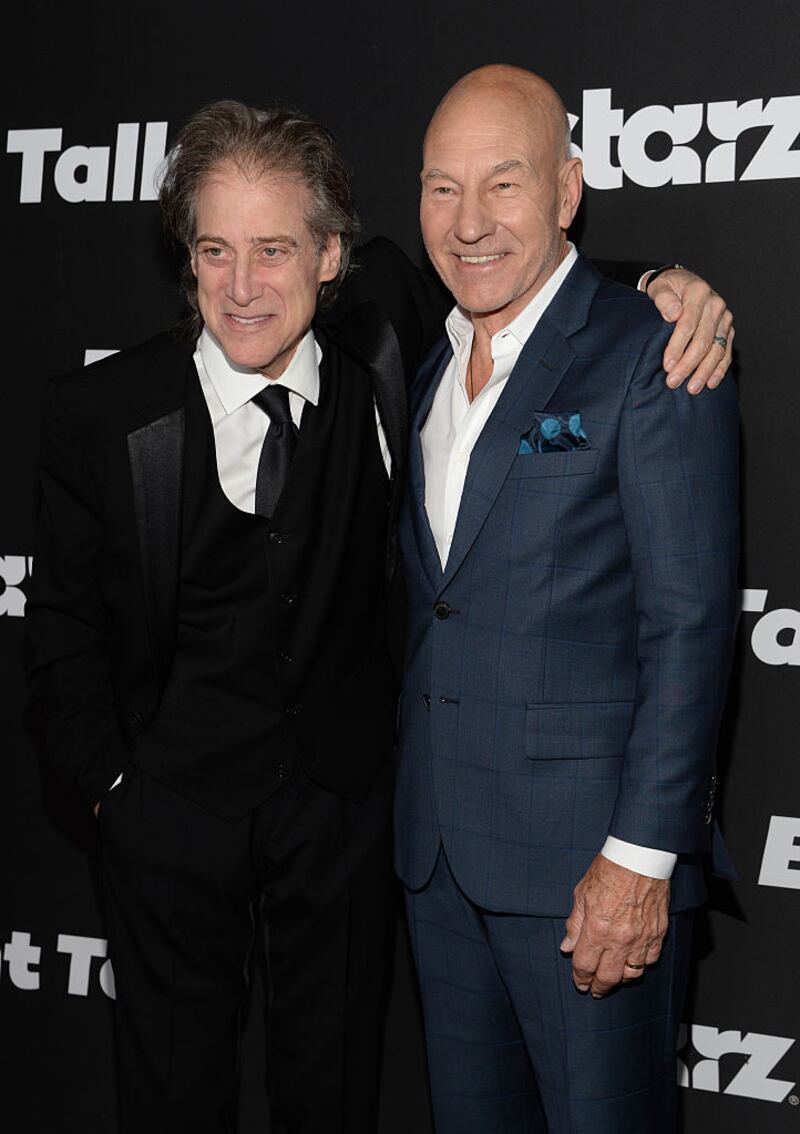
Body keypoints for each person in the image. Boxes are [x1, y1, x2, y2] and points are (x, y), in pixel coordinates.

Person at [25, 97, 732, 1134]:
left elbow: (522, 274)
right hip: (169, 826)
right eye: (214, 251)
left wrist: (663, 283)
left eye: (273, 250)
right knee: (171, 1101)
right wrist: (116, 798)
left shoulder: (386, 336)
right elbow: (60, 636)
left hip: (346, 826)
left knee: (338, 1098)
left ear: (330, 258)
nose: (241, 286)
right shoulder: (102, 412)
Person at [394, 65, 739, 1134]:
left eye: (503, 183)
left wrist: (638, 861)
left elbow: (688, 625)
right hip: (438, 864)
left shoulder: (651, 353)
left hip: (588, 876)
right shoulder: (424, 365)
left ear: (567, 189)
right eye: (441, 188)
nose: (468, 222)